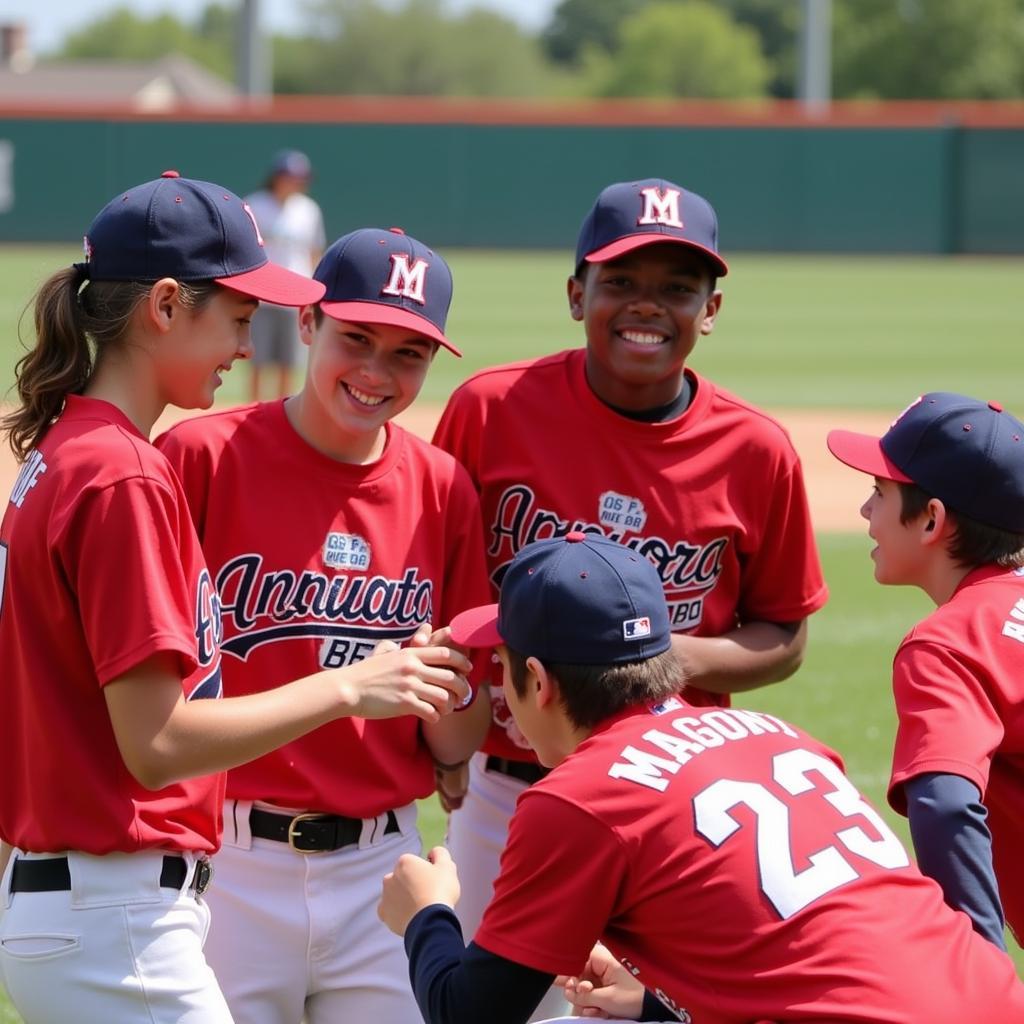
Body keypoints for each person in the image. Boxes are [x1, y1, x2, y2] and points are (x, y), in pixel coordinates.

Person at [0, 173, 471, 1024]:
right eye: (240, 319)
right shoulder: (127, 472)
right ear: (169, 305)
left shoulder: (69, 449)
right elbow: (156, 743)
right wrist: (347, 688)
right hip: (116, 907)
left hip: (90, 899)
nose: (247, 348)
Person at [430, 177, 828, 1015]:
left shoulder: (755, 451)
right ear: (577, 294)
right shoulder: (490, 410)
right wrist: (448, 738)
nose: (647, 308)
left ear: (711, 308)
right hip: (508, 784)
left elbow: (783, 635)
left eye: (677, 289)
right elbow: (446, 591)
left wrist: (650, 659)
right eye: (620, 283)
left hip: (670, 796)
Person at [378, 532, 1024, 1024]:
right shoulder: (778, 735)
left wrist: (426, 914)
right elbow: (818, 966)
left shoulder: (581, 796)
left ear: (539, 683)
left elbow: (472, 1014)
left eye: (503, 666)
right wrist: (657, 1004)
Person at [156, 225, 492, 1024]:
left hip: (381, 865)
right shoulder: (200, 456)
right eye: (356, 338)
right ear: (307, 325)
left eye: (407, 354)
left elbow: (459, 739)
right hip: (223, 854)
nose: (376, 372)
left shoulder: (443, 487)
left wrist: (440, 688)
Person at [827, 392, 1024, 950]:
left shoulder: (951, 643)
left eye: (879, 492)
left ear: (932, 518)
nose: (867, 512)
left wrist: (975, 963)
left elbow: (945, 802)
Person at [244, 149, 326, 401]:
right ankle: (254, 412)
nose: (295, 182)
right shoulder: (254, 205)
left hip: (294, 298)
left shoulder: (308, 210)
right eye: (290, 176)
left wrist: (313, 289)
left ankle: (279, 412)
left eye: (300, 177)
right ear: (277, 176)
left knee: (288, 363)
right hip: (261, 294)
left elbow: (315, 251)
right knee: (258, 360)